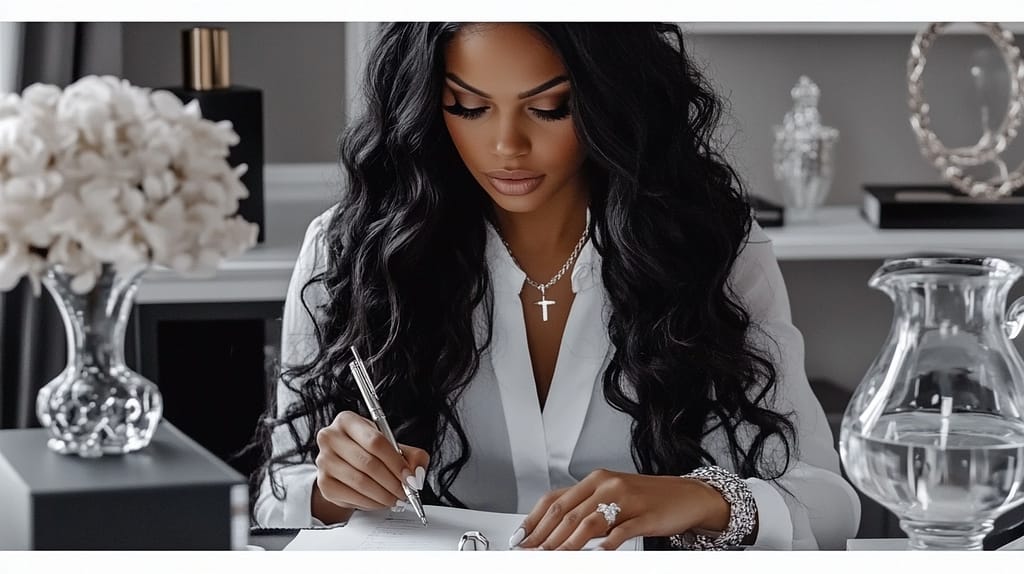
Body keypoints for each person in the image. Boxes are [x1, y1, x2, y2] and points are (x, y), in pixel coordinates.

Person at [250, 22, 860, 550]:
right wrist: (337, 488)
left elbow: (830, 505)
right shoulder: (351, 248)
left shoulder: (709, 246)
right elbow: (280, 498)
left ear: (610, 100)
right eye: (468, 107)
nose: (506, 146)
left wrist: (698, 500)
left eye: (550, 108)